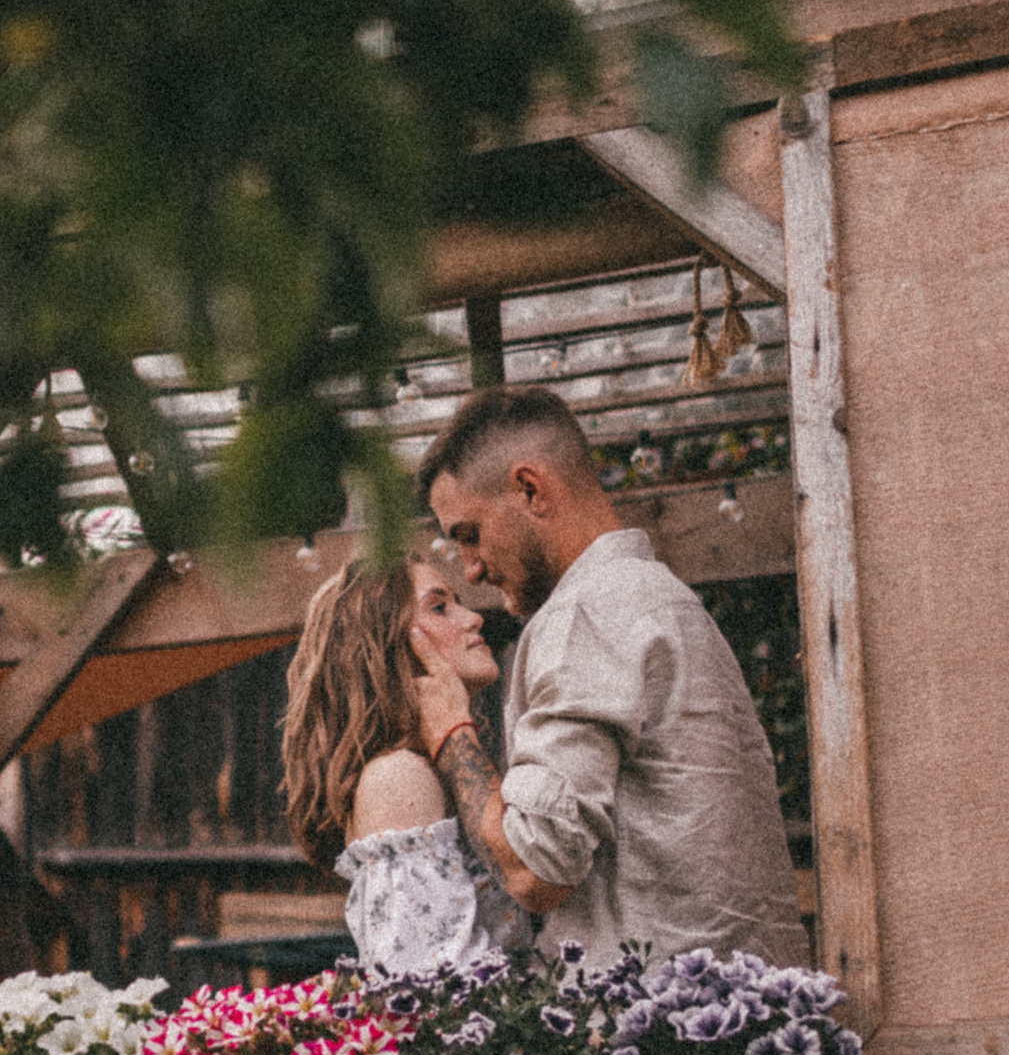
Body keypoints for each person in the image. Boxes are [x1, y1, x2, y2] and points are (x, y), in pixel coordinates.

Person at [413, 384, 806, 969]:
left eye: (469, 534)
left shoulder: (586, 612)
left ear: (529, 488)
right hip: (738, 1011)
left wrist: (451, 732)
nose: (470, 568)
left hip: (654, 1037)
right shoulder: (664, 599)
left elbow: (536, 868)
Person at [281, 558, 529, 976]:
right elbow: (427, 987)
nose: (473, 618)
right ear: (387, 643)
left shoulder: (434, 768)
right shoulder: (398, 778)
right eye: (439, 607)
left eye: (459, 603)